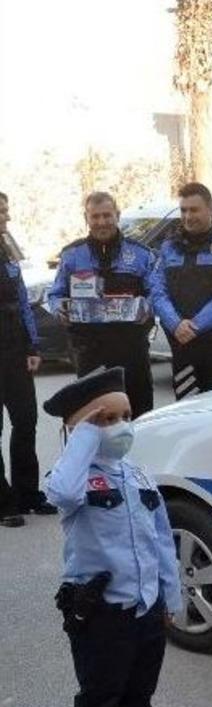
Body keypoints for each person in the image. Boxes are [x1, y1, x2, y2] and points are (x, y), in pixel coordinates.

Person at [43, 366, 191, 707]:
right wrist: (84, 435)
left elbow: (162, 540)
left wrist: (171, 597)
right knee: (99, 697)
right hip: (101, 612)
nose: (119, 426)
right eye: (105, 419)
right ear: (80, 429)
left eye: (124, 415)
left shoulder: (140, 478)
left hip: (144, 607)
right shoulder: (76, 479)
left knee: (138, 691)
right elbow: (60, 493)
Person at [48, 191, 156, 417]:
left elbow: (157, 293)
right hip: (89, 351)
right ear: (86, 218)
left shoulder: (140, 254)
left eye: (107, 215)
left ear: (117, 215)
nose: (101, 222)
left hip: (132, 349)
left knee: (139, 413)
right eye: (95, 217)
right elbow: (55, 294)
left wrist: (147, 307)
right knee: (95, 415)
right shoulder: (72, 255)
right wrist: (60, 309)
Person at [148, 182, 212, 399]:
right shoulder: (169, 247)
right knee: (187, 416)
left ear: (211, 209)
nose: (187, 216)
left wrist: (196, 325)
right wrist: (175, 324)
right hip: (184, 347)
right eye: (183, 210)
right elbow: (157, 290)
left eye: (194, 210)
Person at [0, 190, 56, 528]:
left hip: (14, 347)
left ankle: (27, 494)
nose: (6, 217)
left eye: (6, 210)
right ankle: (3, 503)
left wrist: (33, 347)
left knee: (25, 422)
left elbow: (22, 300)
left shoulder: (7, 249)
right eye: (0, 212)